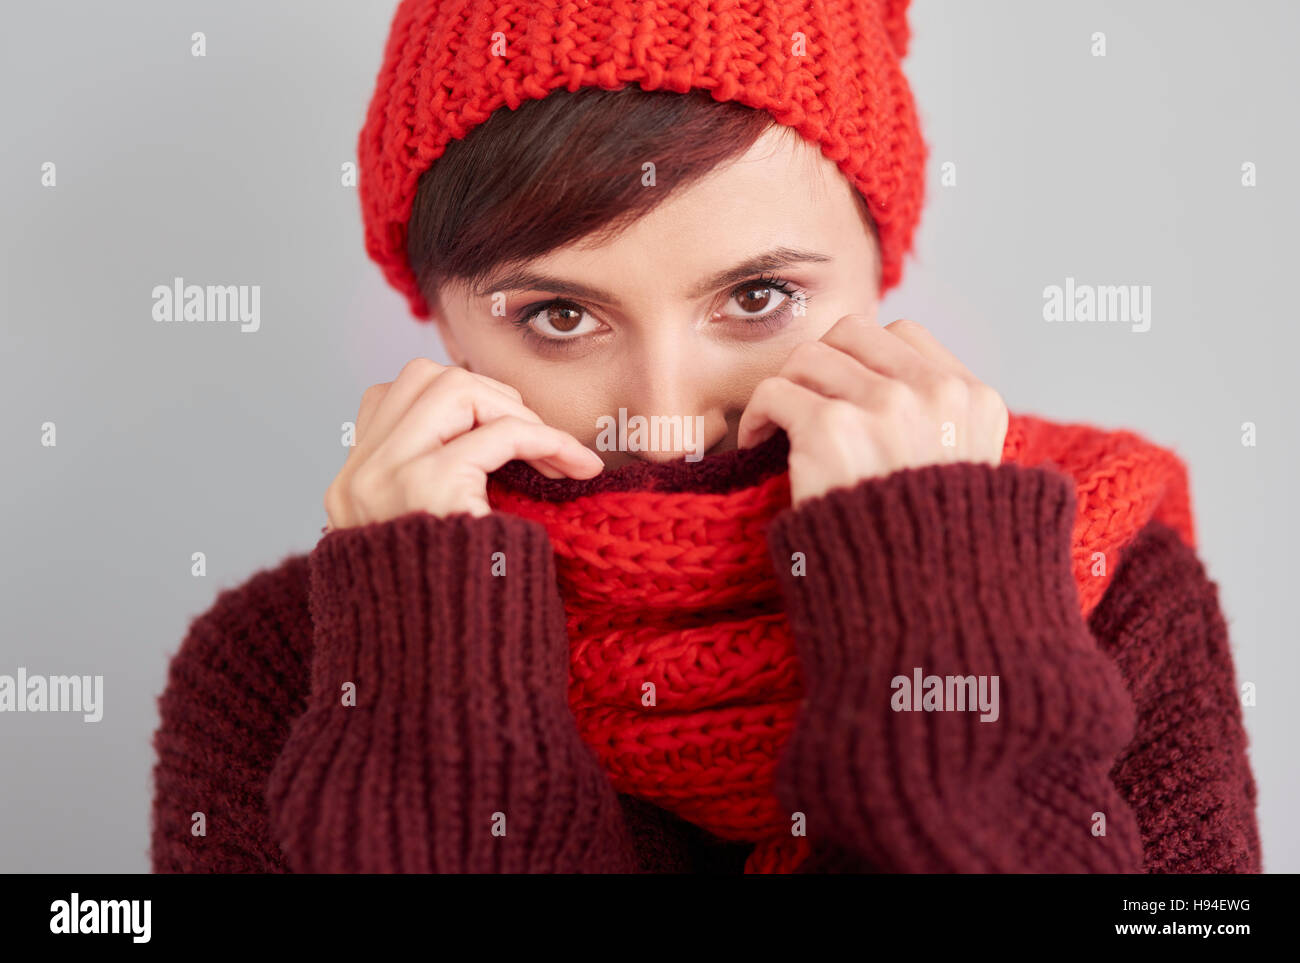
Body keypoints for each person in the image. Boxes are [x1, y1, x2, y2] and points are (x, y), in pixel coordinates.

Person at [149, 0, 1261, 873]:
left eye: (760, 296)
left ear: (880, 268)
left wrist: (945, 601)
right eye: (560, 317)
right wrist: (429, 661)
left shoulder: (1102, 589)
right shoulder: (287, 666)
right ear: (435, 315)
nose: (668, 416)